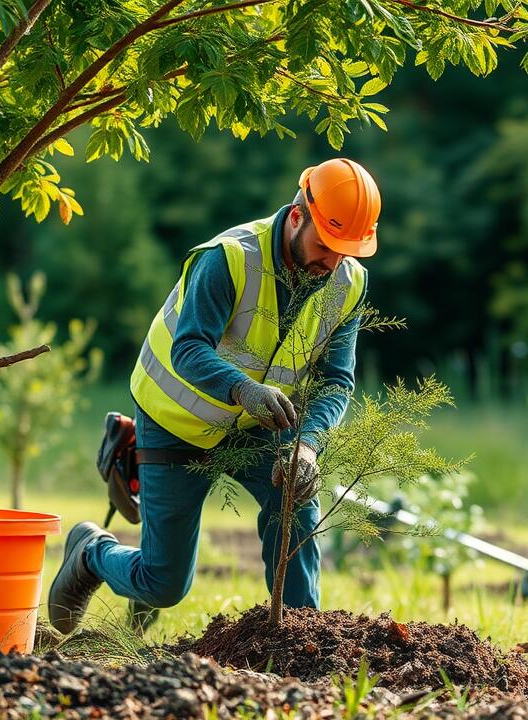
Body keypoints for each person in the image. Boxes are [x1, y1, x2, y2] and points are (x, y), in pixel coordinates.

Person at [47, 158, 381, 634]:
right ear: (295, 217)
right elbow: (187, 348)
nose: (332, 262)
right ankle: (91, 553)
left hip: (256, 426)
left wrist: (306, 444)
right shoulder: (228, 258)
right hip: (175, 419)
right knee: (164, 583)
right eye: (325, 245)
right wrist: (242, 389)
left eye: (347, 252)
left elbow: (335, 381)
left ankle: (300, 640)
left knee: (296, 502)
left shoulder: (347, 284)